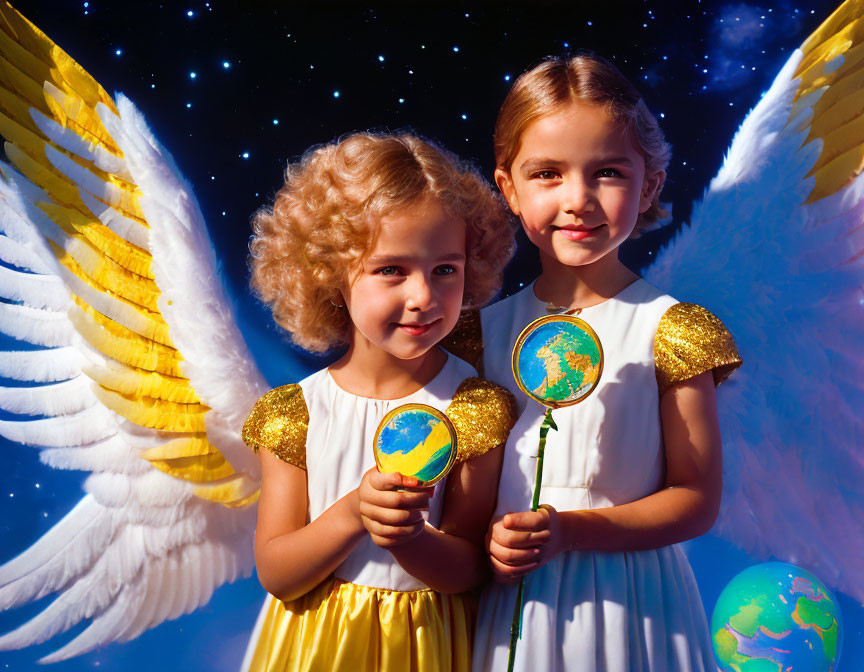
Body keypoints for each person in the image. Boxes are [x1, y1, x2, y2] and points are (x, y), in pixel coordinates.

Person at [466, 55, 743, 671]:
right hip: (515, 606)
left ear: (649, 183)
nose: (578, 199)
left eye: (608, 172)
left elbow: (696, 497)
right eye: (547, 174)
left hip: (633, 609)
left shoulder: (671, 329)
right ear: (508, 187)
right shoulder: (476, 336)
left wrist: (573, 530)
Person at [240, 132, 517, 672]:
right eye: (391, 269)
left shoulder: (474, 407)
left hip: (425, 647)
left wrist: (410, 538)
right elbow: (276, 572)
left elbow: (469, 569)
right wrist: (351, 515)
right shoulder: (293, 412)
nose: (423, 297)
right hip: (313, 648)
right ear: (328, 274)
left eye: (445, 270)